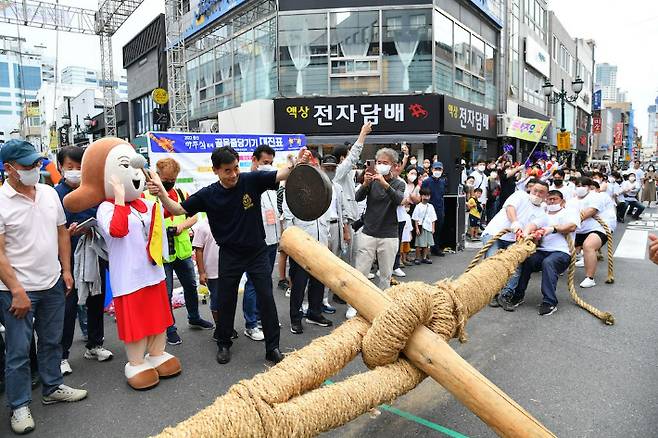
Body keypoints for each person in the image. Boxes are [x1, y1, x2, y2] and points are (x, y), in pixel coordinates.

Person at [147, 145, 311, 365]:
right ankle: (224, 343)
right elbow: (178, 210)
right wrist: (161, 192)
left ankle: (272, 347)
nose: (233, 174)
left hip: (257, 252)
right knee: (225, 301)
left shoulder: (251, 181)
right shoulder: (208, 194)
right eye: (227, 170)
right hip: (230, 255)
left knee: (266, 299)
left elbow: (282, 174)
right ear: (215, 170)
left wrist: (296, 162)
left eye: (235, 168)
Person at [0, 140, 87, 435]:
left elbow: (61, 232)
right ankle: (20, 404)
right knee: (19, 351)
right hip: (16, 290)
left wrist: (66, 270)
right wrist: (16, 290)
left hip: (51, 283)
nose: (35, 170)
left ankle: (52, 387)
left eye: (37, 164)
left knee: (52, 341)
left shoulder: (50, 193)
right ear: (9, 168)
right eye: (27, 166)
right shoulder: (1, 201)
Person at [54, 146, 113, 376]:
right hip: (67, 257)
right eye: (70, 167)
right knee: (68, 305)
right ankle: (62, 355)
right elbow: (53, 231)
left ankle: (95, 344)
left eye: (80, 168)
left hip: (92, 250)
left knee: (96, 299)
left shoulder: (93, 192)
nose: (75, 172)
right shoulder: (55, 194)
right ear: (60, 167)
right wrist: (67, 233)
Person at [145, 158, 213, 346]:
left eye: (173, 179)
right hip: (162, 253)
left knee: (190, 286)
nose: (169, 183)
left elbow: (195, 216)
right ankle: (170, 328)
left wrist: (181, 226)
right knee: (165, 293)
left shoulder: (182, 193)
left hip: (182, 250)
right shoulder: (146, 197)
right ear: (157, 176)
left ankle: (194, 316)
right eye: (166, 179)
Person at [348, 148, 405, 319]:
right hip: (368, 232)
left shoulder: (399, 183)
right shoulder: (371, 180)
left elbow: (398, 200)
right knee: (361, 273)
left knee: (385, 275)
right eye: (378, 162)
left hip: (389, 234)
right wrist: (365, 183)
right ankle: (354, 306)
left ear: (394, 166)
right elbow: (357, 197)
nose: (380, 166)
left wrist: (384, 183)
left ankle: (382, 308)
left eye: (385, 163)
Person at [501, 190, 579, 315]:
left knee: (549, 263)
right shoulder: (543, 215)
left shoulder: (569, 212)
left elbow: (572, 227)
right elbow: (533, 225)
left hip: (561, 252)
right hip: (542, 250)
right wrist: (526, 234)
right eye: (549, 199)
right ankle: (518, 295)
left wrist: (553, 229)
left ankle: (549, 302)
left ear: (562, 201)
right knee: (526, 260)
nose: (552, 201)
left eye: (555, 199)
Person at [283, 158, 334, 334]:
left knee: (319, 282)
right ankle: (295, 318)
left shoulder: (325, 190)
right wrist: (291, 246)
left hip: (320, 246)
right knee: (298, 285)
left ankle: (315, 312)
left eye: (315, 166)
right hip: (301, 248)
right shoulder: (294, 191)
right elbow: (289, 223)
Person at [483, 179, 550, 307]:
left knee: (515, 265)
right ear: (530, 189)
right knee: (493, 262)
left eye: (541, 192)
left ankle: (506, 294)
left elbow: (532, 225)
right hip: (495, 233)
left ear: (546, 195)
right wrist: (515, 222)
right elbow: (510, 208)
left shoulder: (543, 214)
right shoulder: (520, 195)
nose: (537, 194)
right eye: (535, 190)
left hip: (515, 239)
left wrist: (524, 233)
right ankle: (492, 293)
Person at [242, 145, 284, 341]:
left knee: (265, 283)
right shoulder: (245, 183)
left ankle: (264, 318)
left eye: (271, 163)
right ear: (254, 160)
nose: (268, 166)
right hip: (255, 243)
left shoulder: (270, 185)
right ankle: (251, 324)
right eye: (265, 163)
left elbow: (275, 212)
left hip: (272, 240)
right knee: (252, 284)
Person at [333, 122, 372, 266]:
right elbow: (355, 154)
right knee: (345, 259)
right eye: (348, 156)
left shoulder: (346, 173)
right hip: (344, 221)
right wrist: (363, 133)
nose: (353, 159)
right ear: (343, 158)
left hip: (350, 219)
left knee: (352, 256)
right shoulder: (338, 171)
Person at [569, 177, 609, 288]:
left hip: (596, 228)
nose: (580, 188)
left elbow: (591, 211)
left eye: (583, 186)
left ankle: (590, 278)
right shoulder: (572, 200)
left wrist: (573, 221)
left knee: (588, 245)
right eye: (578, 185)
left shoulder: (596, 197)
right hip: (577, 229)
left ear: (589, 187)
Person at [322, 154, 348, 312]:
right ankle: (309, 301)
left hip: (336, 226)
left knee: (333, 264)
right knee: (320, 263)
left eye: (333, 168)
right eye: (327, 168)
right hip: (321, 227)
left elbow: (343, 210)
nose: (330, 171)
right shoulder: (316, 185)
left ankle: (325, 299)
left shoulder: (338, 187)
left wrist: (346, 231)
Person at [421, 161, 447, 256]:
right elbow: (422, 195)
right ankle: (424, 251)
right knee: (427, 230)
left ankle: (435, 249)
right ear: (432, 170)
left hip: (439, 209)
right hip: (428, 209)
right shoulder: (426, 182)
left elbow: (442, 195)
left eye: (439, 169)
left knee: (438, 230)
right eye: (436, 169)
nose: (437, 171)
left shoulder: (442, 182)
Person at [412, 187, 437, 264]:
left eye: (428, 195)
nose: (426, 197)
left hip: (428, 227)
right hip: (421, 227)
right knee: (419, 244)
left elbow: (433, 218)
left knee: (427, 244)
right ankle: (417, 258)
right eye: (425, 195)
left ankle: (424, 258)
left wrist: (433, 228)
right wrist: (416, 228)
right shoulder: (418, 206)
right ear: (421, 196)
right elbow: (415, 218)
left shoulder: (431, 206)